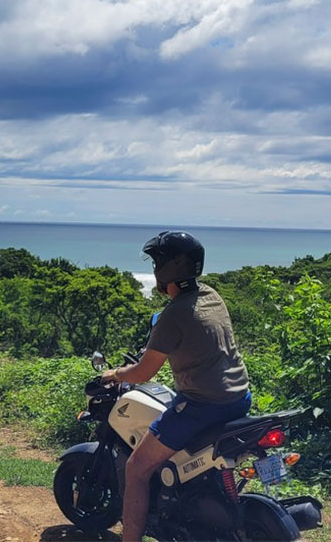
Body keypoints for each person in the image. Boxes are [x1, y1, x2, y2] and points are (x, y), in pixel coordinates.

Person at [101, 231, 251, 542]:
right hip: (239, 398)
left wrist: (115, 374)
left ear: (167, 269)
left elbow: (143, 373)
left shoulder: (174, 315)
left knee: (137, 469)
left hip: (201, 407)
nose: (155, 268)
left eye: (157, 262)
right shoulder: (212, 295)